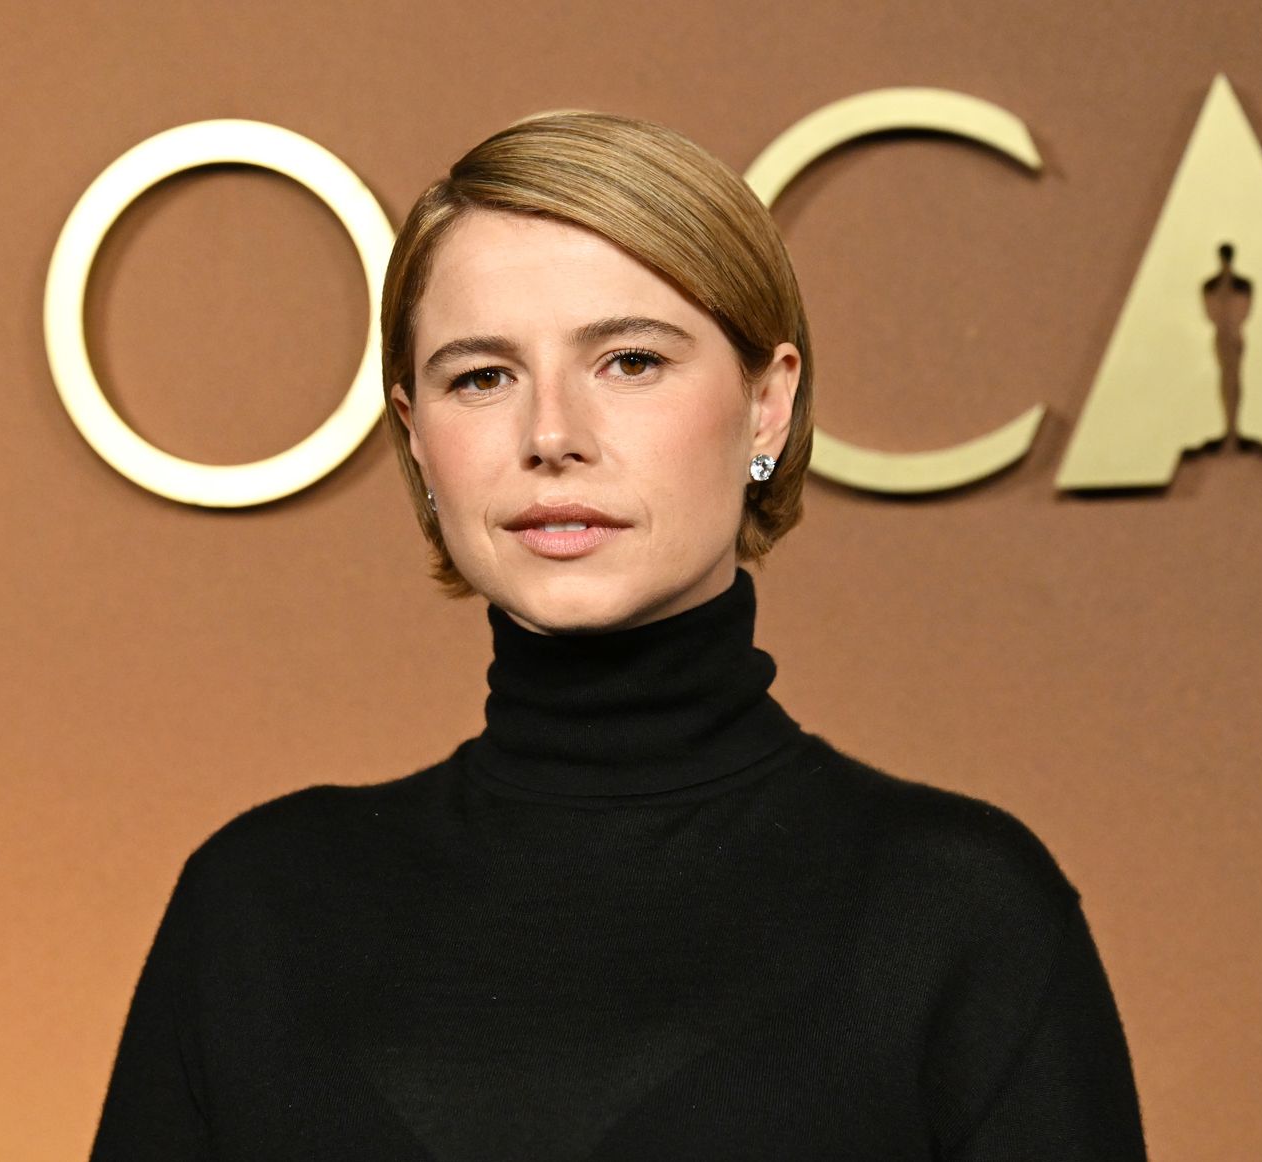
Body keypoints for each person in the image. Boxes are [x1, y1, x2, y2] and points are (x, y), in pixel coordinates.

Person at [89, 111, 1148, 1161]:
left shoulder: (956, 912)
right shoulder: (261, 907)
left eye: (630, 361)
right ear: (415, 436)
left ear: (766, 406)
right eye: (481, 376)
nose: (552, 435)